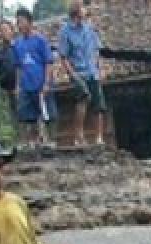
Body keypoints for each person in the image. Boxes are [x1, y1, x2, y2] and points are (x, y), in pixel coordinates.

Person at [57, 0, 106, 147]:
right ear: (77, 12)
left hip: (92, 71)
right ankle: (79, 136)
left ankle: (99, 138)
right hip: (78, 72)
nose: (86, 10)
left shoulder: (89, 29)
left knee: (99, 104)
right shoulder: (65, 32)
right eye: (83, 8)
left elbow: (96, 50)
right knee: (83, 99)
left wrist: (100, 68)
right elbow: (64, 57)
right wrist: (73, 75)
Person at [11, 8, 52, 147]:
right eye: (17, 22)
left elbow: (48, 62)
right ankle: (31, 143)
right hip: (26, 84)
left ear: (29, 22)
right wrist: (17, 85)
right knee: (28, 116)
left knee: (44, 114)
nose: (19, 25)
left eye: (21, 22)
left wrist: (46, 82)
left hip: (39, 83)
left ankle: (46, 140)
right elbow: (18, 66)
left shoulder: (40, 40)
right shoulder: (17, 43)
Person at [0, 19, 17, 142]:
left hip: (19, 86)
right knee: (8, 115)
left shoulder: (17, 46)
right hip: (4, 87)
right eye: (1, 30)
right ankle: (12, 140)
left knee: (22, 113)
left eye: (6, 29)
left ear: (12, 30)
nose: (4, 32)